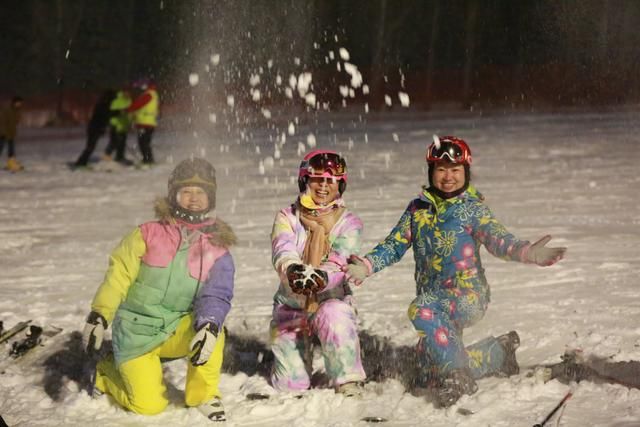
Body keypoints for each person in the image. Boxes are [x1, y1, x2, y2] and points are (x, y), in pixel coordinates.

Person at [344, 135, 566, 407]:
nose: (448, 177)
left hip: (468, 296)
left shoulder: (473, 210)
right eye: (441, 170)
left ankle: (459, 376)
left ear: (466, 172)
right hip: (435, 297)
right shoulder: (418, 210)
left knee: (422, 310)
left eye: (455, 170)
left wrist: (527, 252)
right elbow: (394, 244)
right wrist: (367, 265)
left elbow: (500, 240)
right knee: (427, 373)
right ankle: (497, 353)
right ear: (431, 172)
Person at [82, 158, 236, 421]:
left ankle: (202, 394)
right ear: (173, 195)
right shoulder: (147, 234)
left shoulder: (216, 246)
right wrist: (99, 315)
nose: (193, 198)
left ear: (211, 198)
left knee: (213, 330)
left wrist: (209, 325)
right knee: (149, 406)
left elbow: (217, 293)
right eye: (186, 191)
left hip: (176, 328)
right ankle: (107, 372)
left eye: (201, 192)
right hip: (136, 331)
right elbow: (118, 275)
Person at [269, 150, 367, 397]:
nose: (323, 186)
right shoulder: (288, 216)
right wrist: (293, 269)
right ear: (305, 181)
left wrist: (321, 277)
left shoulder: (349, 222)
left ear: (340, 185)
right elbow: (283, 247)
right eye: (317, 180)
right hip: (292, 303)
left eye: (330, 181)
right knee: (291, 385)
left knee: (334, 314)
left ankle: (347, 378)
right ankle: (293, 361)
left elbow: (341, 260)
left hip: (330, 299)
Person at [74, 89, 116, 168]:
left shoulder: (103, 104)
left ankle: (81, 162)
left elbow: (107, 115)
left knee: (90, 147)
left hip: (95, 128)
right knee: (90, 147)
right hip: (95, 128)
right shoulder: (104, 105)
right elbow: (106, 115)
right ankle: (80, 163)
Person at [127, 78, 159, 166]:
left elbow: (138, 104)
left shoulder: (148, 94)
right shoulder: (153, 94)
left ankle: (148, 160)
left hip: (145, 123)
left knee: (143, 142)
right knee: (145, 142)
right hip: (148, 123)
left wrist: (128, 109)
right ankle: (148, 159)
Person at [104, 89, 133, 165]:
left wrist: (130, 123)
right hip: (115, 124)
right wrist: (120, 111)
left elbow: (130, 114)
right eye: (127, 92)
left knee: (122, 143)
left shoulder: (129, 101)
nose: (128, 94)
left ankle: (120, 157)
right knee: (114, 141)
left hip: (124, 125)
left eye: (129, 92)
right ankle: (107, 154)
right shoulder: (116, 100)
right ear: (123, 92)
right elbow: (111, 112)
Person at [0, 96, 25, 172]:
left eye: (20, 103)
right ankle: (11, 163)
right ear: (14, 102)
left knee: (11, 149)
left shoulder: (17, 111)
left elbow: (16, 122)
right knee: (0, 147)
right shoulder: (7, 110)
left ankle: (11, 163)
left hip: (11, 133)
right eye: (18, 102)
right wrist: (2, 132)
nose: (19, 104)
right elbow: (2, 121)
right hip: (3, 133)